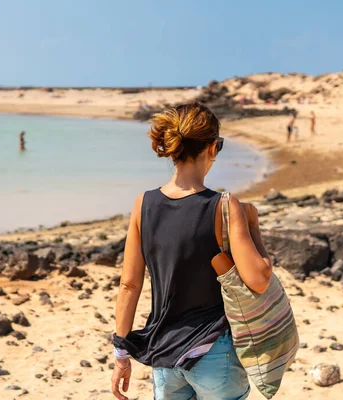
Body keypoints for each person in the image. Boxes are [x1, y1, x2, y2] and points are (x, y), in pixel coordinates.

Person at [111, 102, 271, 400]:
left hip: (163, 353)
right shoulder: (224, 206)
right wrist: (253, 226)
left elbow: (129, 284)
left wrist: (121, 351)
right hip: (214, 350)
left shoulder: (143, 204)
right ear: (212, 148)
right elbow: (259, 277)